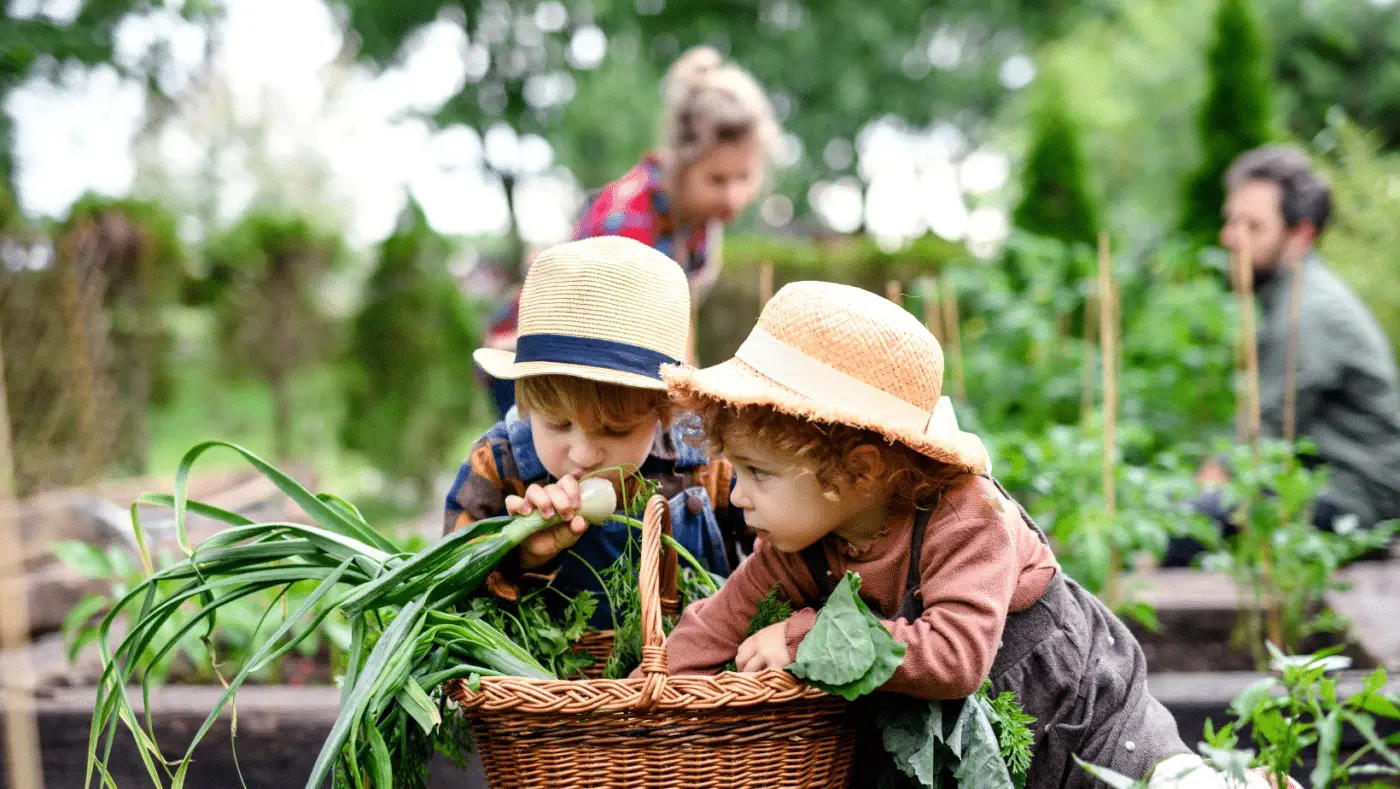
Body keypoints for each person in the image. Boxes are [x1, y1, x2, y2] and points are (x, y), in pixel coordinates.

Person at [657, 281, 1289, 789]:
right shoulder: (794, 544)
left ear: (857, 471)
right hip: (962, 737)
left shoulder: (965, 516)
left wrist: (802, 638)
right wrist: (644, 710)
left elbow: (955, 657)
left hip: (1073, 706)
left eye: (757, 474)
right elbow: (714, 625)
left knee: (1160, 782)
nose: (736, 497)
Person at [444, 236, 748, 627]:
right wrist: (523, 553)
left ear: (664, 412)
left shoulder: (709, 465)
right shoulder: (499, 467)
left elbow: (778, 563)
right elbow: (450, 592)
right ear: (526, 403)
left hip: (690, 683)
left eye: (616, 430)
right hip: (550, 688)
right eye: (557, 423)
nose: (584, 455)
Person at [478, 45, 778, 417]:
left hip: (606, 362)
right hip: (536, 362)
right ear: (682, 163)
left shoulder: (697, 223)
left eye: (744, 177)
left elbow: (678, 316)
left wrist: (689, 387)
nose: (733, 196)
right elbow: (618, 339)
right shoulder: (628, 220)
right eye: (717, 179)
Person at [1165, 145, 1400, 566]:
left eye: (1253, 226)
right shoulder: (1292, 295)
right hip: (1327, 484)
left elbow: (1264, 436)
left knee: (1178, 532)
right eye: (1231, 220)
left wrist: (1196, 500)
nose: (1230, 237)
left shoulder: (1307, 313)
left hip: (1357, 501)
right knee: (1177, 512)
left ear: (1301, 235)